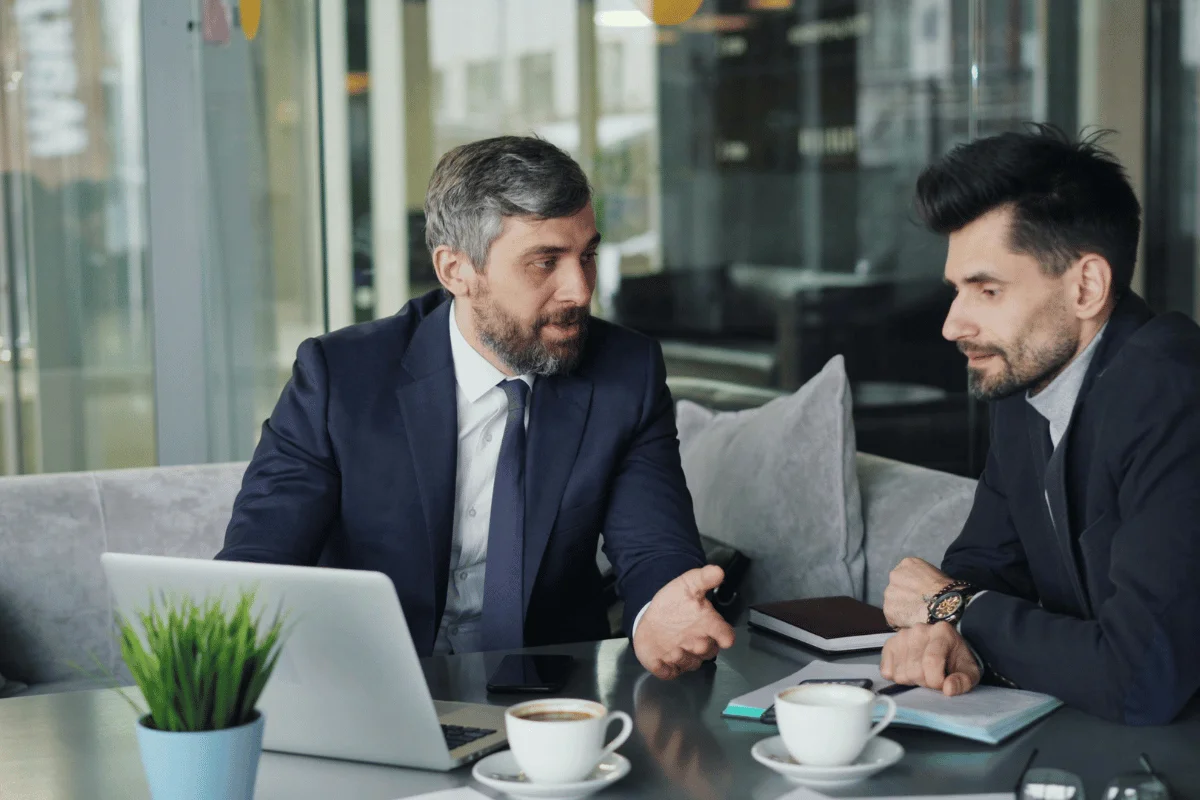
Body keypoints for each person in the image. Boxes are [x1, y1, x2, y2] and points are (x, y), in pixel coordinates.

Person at [217, 136, 734, 679]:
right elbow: (259, 564)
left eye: (587, 256)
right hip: (374, 687)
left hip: (549, 702)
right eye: (544, 262)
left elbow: (655, 547)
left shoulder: (626, 373)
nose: (579, 290)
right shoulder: (338, 379)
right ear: (455, 271)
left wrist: (659, 615)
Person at [879, 125, 1200, 725]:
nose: (953, 325)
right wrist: (950, 629)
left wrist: (952, 606)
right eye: (957, 290)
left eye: (988, 290)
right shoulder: (1027, 381)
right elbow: (986, 564)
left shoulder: (1176, 396)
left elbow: (1141, 679)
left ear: (1086, 286)